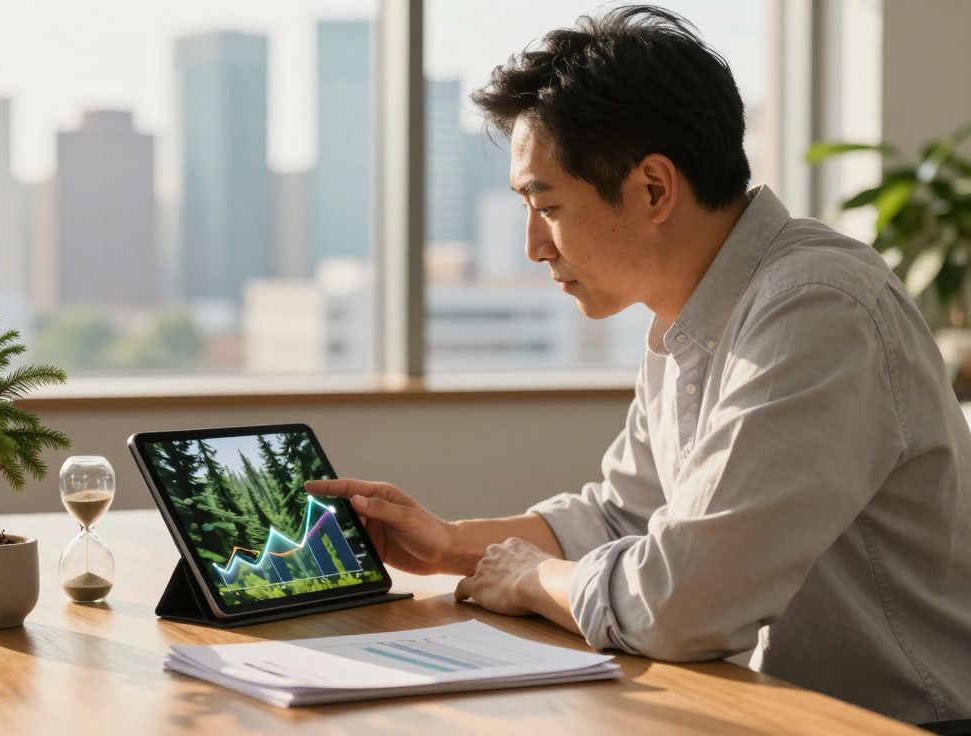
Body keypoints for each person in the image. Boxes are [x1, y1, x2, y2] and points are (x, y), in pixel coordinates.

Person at [306, 5, 971, 725]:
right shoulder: (692, 313)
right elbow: (624, 514)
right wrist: (449, 544)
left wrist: (536, 580)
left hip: (906, 720)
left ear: (653, 189)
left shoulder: (818, 309)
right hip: (774, 711)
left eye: (547, 205)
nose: (535, 246)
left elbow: (683, 605)